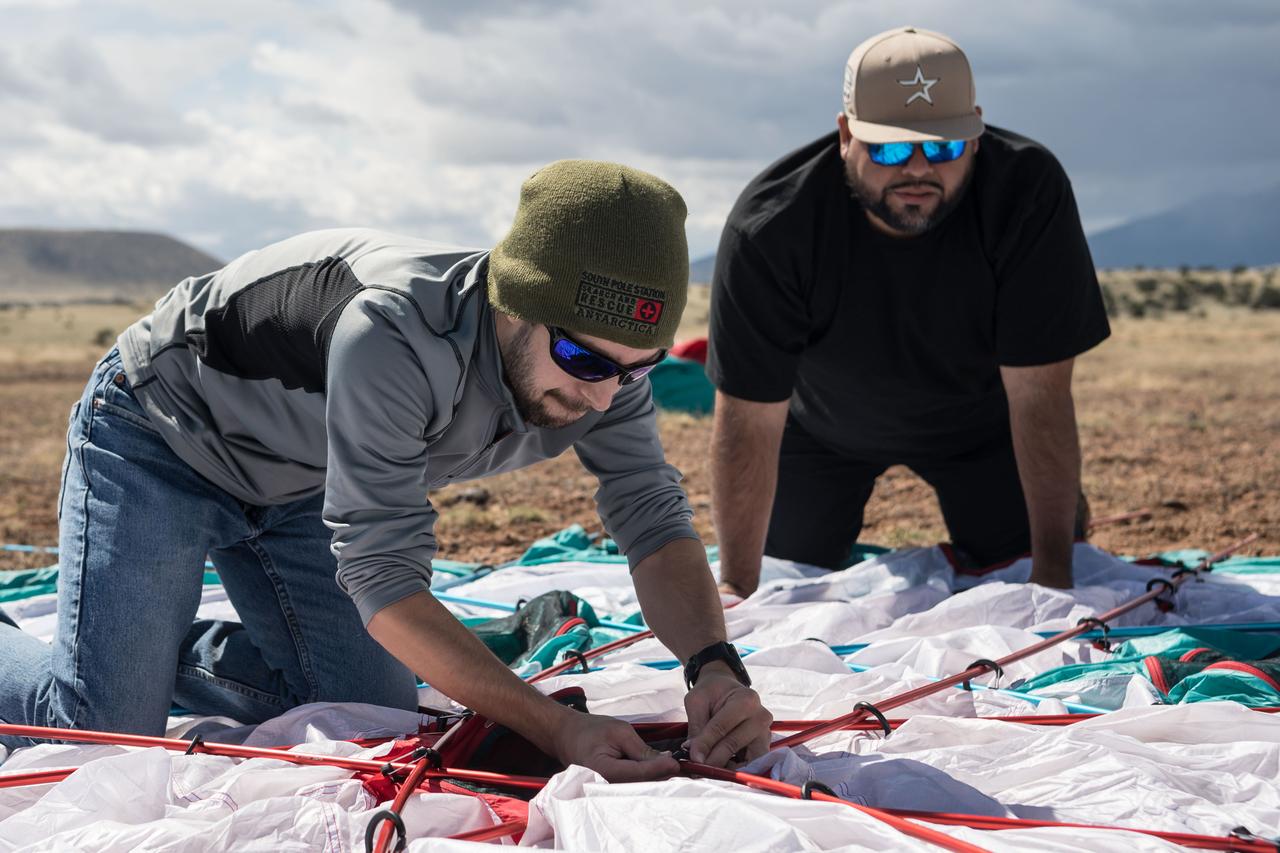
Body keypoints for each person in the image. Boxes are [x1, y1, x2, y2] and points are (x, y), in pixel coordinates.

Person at [0, 160, 771, 778]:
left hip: (303, 480)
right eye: (582, 359)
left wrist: (714, 666)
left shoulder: (607, 373)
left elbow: (654, 520)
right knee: (100, 734)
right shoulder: (395, 329)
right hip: (163, 437)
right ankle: (113, 659)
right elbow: (385, 580)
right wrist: (554, 725)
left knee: (368, 713)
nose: (603, 394)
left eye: (636, 369)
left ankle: (133, 640)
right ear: (515, 303)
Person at [707, 26, 1111, 597]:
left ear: (975, 133)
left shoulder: (1027, 192)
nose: (918, 169)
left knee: (1027, 558)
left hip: (981, 427)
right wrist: (735, 587)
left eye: (943, 147)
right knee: (781, 570)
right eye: (892, 148)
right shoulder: (773, 227)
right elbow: (748, 418)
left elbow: (1040, 395)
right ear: (845, 134)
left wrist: (1054, 580)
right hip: (822, 428)